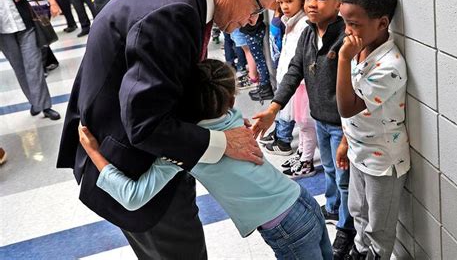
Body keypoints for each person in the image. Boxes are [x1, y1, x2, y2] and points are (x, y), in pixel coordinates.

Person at [57, 0, 282, 259]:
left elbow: (167, 83)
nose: (253, 21)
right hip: (133, 163)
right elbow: (146, 125)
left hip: (140, 149)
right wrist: (222, 142)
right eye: (257, 9)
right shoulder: (173, 12)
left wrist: (220, 121)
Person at [79, 59, 332, 259]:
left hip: (288, 229)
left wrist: (95, 154)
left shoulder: (186, 148)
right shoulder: (232, 116)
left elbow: (134, 197)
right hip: (302, 201)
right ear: (230, 99)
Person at [252, 0, 357, 259]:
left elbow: (356, 89)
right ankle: (333, 206)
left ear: (338, 4)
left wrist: (348, 133)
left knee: (344, 177)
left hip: (341, 125)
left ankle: (347, 229)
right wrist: (274, 109)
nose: (311, 4)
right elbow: (294, 70)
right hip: (320, 119)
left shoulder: (345, 39)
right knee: (330, 171)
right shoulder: (309, 32)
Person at [335, 0, 409, 260]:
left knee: (380, 226)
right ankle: (360, 250)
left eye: (354, 24)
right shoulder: (361, 48)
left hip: (383, 161)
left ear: (382, 23)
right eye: (345, 22)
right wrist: (344, 142)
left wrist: (343, 60)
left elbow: (347, 106)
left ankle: (374, 255)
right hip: (358, 150)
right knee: (359, 210)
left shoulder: (390, 65)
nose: (348, 31)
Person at [0, 0, 61, 120]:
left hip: (25, 24)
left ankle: (45, 106)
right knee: (19, 68)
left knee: (33, 66)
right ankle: (35, 101)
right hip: (3, 31)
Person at [269, 0, 319, 180]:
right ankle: (301, 154)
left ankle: (307, 160)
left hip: (302, 84)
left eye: (289, 1)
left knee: (306, 123)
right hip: (293, 83)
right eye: (280, 2)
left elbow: (300, 59)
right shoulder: (290, 22)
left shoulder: (304, 24)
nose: (284, 6)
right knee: (300, 122)